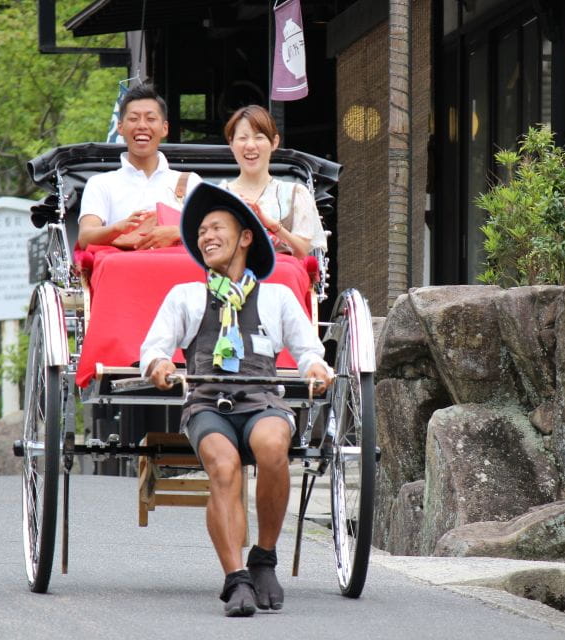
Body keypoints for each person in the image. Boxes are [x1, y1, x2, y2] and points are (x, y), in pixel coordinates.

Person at [139, 182, 332, 617]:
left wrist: (316, 369)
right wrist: (159, 366)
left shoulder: (278, 296)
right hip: (207, 404)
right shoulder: (185, 296)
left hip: (264, 400)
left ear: (245, 236)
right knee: (224, 468)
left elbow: (308, 353)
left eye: (216, 228)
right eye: (201, 231)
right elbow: (153, 348)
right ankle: (235, 578)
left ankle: (263, 559)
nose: (205, 237)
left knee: (271, 446)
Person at [78, 84, 202, 250]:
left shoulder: (190, 182)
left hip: (181, 274)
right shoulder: (101, 184)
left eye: (150, 119)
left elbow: (213, 232)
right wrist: (119, 228)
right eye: (134, 119)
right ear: (120, 127)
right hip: (121, 273)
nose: (142, 125)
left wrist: (177, 232)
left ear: (164, 128)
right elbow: (85, 237)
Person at [219, 105, 327, 260]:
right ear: (231, 143)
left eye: (259, 137)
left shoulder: (295, 194)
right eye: (243, 138)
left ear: (274, 142)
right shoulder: (219, 195)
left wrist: (271, 225)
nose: (250, 145)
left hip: (281, 280)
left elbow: (302, 251)